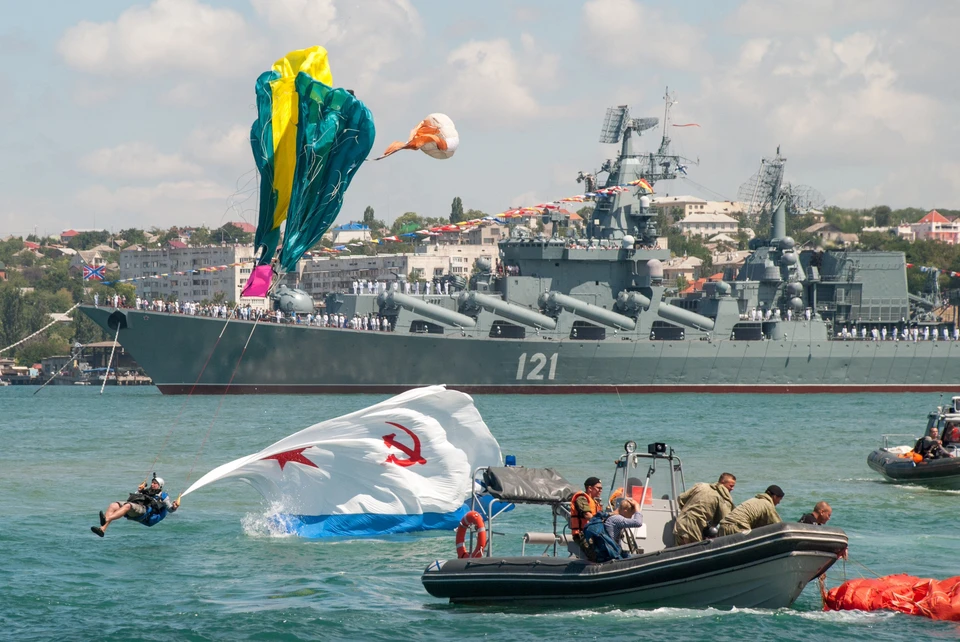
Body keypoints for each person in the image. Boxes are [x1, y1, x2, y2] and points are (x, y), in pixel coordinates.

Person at [91, 474, 179, 537]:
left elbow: (170, 509)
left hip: (144, 511)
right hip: (136, 505)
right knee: (113, 505)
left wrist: (175, 506)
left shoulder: (163, 496)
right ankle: (102, 529)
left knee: (127, 506)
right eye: (152, 482)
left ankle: (106, 519)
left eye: (155, 483)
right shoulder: (146, 490)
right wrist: (139, 490)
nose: (152, 484)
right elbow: (136, 496)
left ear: (160, 486)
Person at [673, 473, 736, 545]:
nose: (732, 488)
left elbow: (681, 498)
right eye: (731, 486)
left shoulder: (701, 486)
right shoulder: (723, 497)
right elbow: (726, 520)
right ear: (722, 483)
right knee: (694, 551)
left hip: (680, 523)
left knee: (681, 550)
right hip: (694, 529)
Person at [717, 485, 784, 536]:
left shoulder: (754, 500)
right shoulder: (767, 504)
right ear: (775, 496)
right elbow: (778, 525)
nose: (779, 502)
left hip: (723, 527)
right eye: (779, 499)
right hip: (737, 528)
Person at [570, 476, 604, 561]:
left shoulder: (596, 502)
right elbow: (587, 515)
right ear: (589, 488)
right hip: (582, 535)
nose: (600, 490)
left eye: (601, 488)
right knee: (594, 554)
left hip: (594, 533)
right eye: (598, 488)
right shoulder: (581, 498)